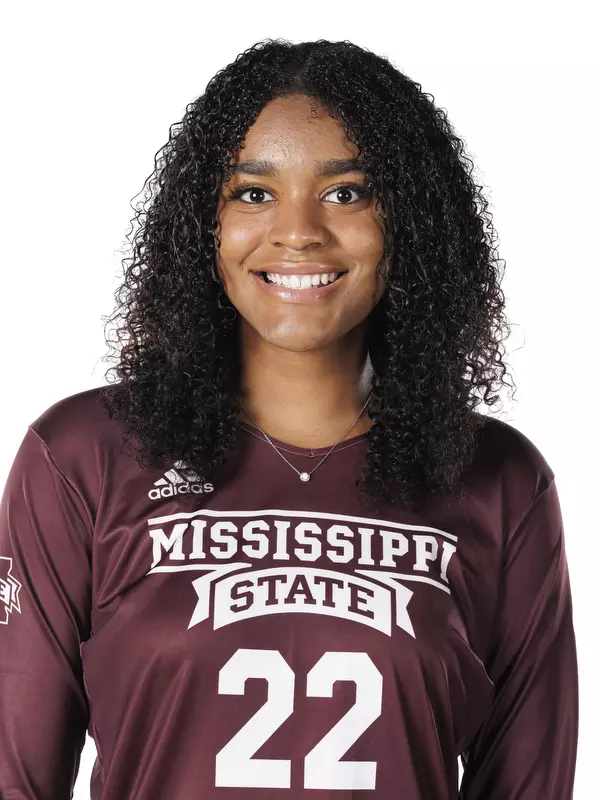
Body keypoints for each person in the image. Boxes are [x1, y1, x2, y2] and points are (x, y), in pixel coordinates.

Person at [0, 38, 578, 800]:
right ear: (201, 226)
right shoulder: (83, 457)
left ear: (411, 224)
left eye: (346, 193)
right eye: (252, 193)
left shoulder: (499, 478)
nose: (298, 230)